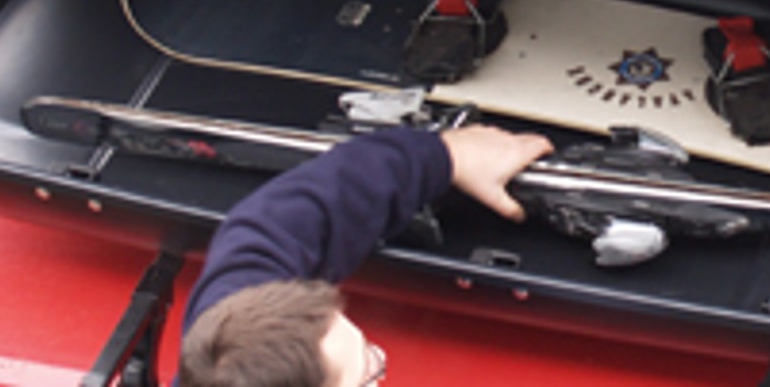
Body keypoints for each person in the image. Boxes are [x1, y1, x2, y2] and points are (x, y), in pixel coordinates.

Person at [176, 123, 554, 387]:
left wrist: (446, 156)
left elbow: (276, 225)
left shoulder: (229, 350)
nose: (382, 358)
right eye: (367, 376)